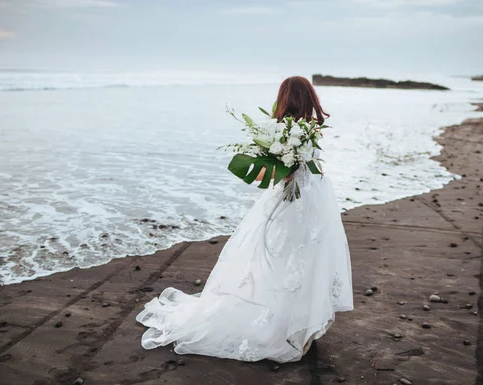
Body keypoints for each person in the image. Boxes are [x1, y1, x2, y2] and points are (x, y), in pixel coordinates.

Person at [136, 76, 353, 363]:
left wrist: (284, 167)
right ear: (309, 98)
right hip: (313, 200)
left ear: (285, 97)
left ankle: (293, 325)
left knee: (279, 258)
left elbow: (286, 171)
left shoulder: (291, 129)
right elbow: (302, 167)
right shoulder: (309, 128)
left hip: (302, 199)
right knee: (306, 258)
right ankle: (297, 327)